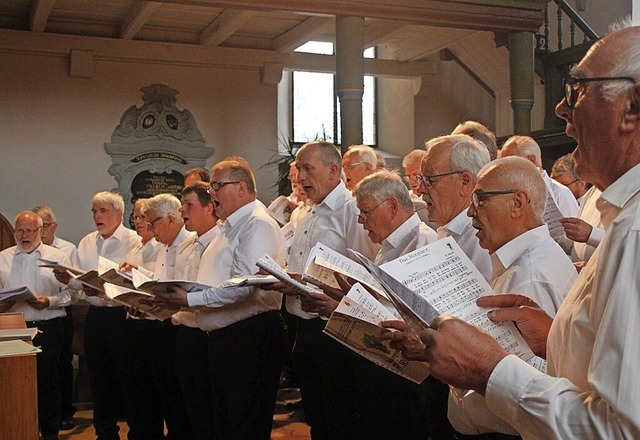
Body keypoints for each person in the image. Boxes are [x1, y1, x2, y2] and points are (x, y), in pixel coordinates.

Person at [406, 20, 640, 439]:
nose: (562, 110)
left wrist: (489, 369)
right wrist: (557, 340)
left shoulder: (634, 231)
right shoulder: (624, 217)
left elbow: (618, 429)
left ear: (633, 107)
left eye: (579, 91)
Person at [446, 156, 577, 438]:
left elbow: (528, 393)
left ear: (517, 203)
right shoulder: (523, 262)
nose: (470, 211)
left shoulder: (529, 276)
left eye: (480, 199)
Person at [157, 158, 287, 440]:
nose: (212, 193)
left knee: (245, 423)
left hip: (249, 337)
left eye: (217, 185)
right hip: (226, 339)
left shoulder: (257, 224)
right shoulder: (231, 227)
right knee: (226, 424)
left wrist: (190, 300)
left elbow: (245, 285)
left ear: (241, 188)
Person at [270, 140, 378, 439]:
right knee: (317, 417)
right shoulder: (303, 213)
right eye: (298, 169)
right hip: (303, 328)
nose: (301, 177)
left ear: (333, 170)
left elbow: (367, 270)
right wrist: (289, 280)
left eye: (308, 169)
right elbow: (303, 264)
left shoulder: (351, 210)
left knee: (341, 418)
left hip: (337, 330)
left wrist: (336, 299)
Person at [347, 170, 446, 440]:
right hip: (385, 362)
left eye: (365, 212)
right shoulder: (390, 243)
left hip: (408, 371)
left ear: (392, 205)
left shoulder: (422, 242)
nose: (361, 221)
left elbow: (419, 313)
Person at [55, 191, 139, 440]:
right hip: (96, 315)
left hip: (122, 315)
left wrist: (107, 287)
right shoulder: (87, 242)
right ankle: (105, 433)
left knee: (127, 377)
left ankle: (136, 431)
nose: (97, 216)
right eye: (94, 211)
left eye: (103, 211)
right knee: (98, 379)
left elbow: (136, 282)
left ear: (119, 214)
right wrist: (70, 281)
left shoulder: (134, 240)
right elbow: (81, 282)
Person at [0, 211, 73, 440]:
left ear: (40, 231)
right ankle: (19, 431)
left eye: (29, 230)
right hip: (14, 328)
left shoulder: (57, 257)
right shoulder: (3, 258)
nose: (24, 235)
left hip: (48, 327)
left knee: (47, 384)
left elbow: (72, 294)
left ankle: (50, 434)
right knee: (15, 386)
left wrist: (49, 301)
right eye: (19, 230)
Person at [418, 134, 492, 280]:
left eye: (430, 180)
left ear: (465, 182)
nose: (420, 189)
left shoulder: (481, 241)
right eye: (421, 179)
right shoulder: (449, 231)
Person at [32, 205, 78, 431]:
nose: (41, 231)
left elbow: (73, 285)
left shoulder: (65, 250)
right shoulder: (19, 253)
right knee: (40, 373)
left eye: (45, 226)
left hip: (58, 314)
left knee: (61, 363)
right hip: (30, 317)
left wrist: (50, 300)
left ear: (53, 226)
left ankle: (64, 411)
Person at [499, 135, 579, 219]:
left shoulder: (560, 193)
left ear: (531, 160)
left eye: (510, 163)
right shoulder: (509, 194)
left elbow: (572, 229)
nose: (506, 170)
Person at [551, 154, 604, 264]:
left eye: (565, 186)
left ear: (582, 183)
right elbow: (574, 245)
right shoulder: (590, 196)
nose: (561, 191)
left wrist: (591, 234)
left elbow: (629, 241)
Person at [402, 149, 436, 227]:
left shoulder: (436, 197)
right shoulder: (404, 197)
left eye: (416, 175)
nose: (412, 181)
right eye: (408, 176)